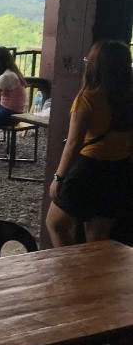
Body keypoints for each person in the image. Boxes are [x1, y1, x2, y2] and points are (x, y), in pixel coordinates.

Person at [46, 40, 133, 247]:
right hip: (119, 171)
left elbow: (74, 143)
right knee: (97, 241)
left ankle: (71, 270)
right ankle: (89, 277)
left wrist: (59, 177)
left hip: (89, 169)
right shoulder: (129, 97)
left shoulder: (88, 97)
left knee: (56, 224)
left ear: (96, 65)